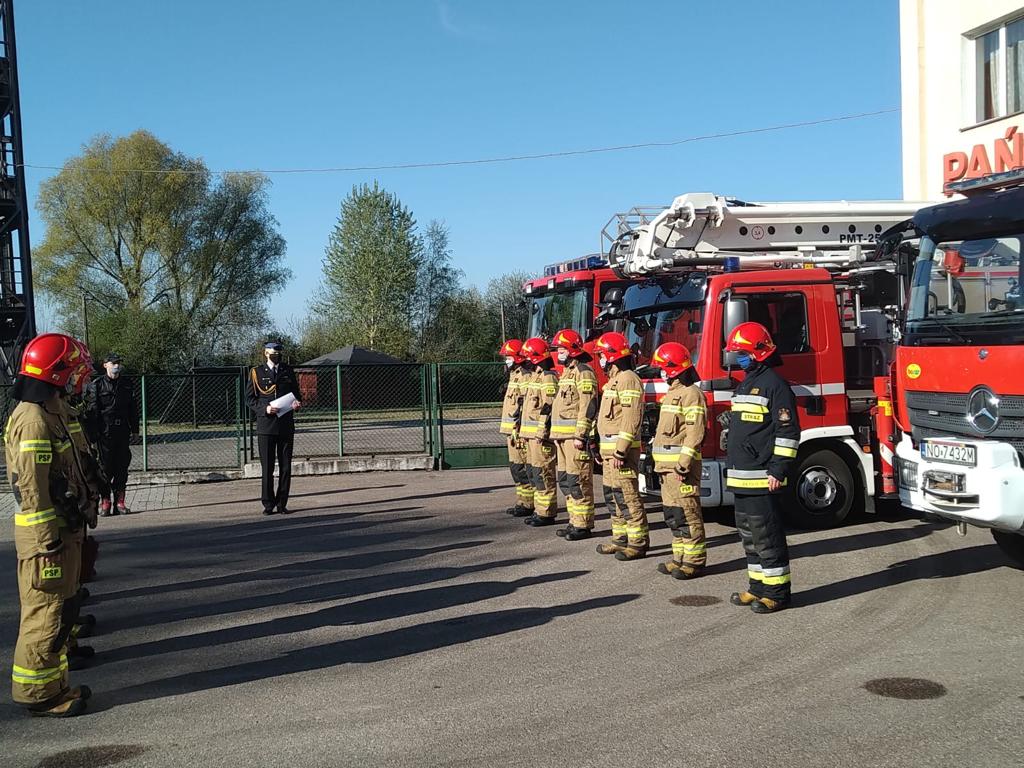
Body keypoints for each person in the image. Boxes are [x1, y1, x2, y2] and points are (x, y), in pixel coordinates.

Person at [7, 333, 94, 717]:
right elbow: (31, 488)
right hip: (48, 539)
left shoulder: (50, 410)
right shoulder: (32, 420)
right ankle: (39, 695)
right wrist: (47, 541)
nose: (78, 378)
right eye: (73, 371)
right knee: (45, 615)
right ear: (55, 372)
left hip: (62, 531)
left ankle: (55, 685)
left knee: (60, 611)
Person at [723, 321, 800, 614]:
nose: (738, 359)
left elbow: (787, 432)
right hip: (742, 476)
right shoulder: (746, 382)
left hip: (761, 476)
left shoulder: (775, 385)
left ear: (759, 352)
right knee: (750, 537)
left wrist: (778, 469)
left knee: (767, 537)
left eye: (742, 354)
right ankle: (757, 587)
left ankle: (777, 593)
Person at [650, 342, 707, 579]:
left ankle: (694, 561)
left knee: (688, 514)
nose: (661, 372)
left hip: (681, 470)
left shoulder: (692, 394)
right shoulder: (672, 395)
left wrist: (683, 465)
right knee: (674, 515)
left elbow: (695, 434)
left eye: (663, 368)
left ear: (674, 368)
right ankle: (679, 558)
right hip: (666, 469)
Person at [593, 332, 648, 561]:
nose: (600, 360)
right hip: (609, 453)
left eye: (602, 355)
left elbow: (631, 418)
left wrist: (620, 450)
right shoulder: (614, 381)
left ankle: (637, 543)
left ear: (612, 355)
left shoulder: (628, 379)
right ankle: (620, 539)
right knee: (612, 495)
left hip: (620, 454)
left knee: (627, 496)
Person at [549, 329, 598, 541]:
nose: (558, 352)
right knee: (566, 481)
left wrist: (581, 435)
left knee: (579, 481)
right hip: (562, 437)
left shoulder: (583, 372)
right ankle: (574, 521)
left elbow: (588, 405)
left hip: (574, 439)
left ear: (572, 349)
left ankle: (583, 525)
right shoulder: (567, 372)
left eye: (561, 348)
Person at [245, 341, 303, 516]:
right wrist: (265, 409)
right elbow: (249, 399)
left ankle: (282, 503)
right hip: (266, 426)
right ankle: (268, 503)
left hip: (285, 425)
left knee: (285, 467)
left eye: (278, 354)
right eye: (272, 354)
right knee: (267, 468)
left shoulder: (287, 371)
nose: (276, 357)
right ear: (266, 354)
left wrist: (297, 404)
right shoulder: (256, 372)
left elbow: (296, 395)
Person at [83, 352, 138, 516]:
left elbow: (133, 409)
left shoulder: (127, 384)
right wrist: (93, 436)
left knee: (122, 467)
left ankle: (120, 502)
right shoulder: (97, 385)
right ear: (105, 365)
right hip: (104, 434)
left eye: (118, 363)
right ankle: (105, 501)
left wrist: (135, 430)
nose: (117, 366)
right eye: (113, 363)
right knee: (105, 468)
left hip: (122, 432)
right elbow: (92, 412)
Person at [518, 337, 559, 526]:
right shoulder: (535, 375)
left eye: (528, 356)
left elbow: (548, 407)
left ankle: (546, 513)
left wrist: (542, 432)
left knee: (543, 474)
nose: (525, 360)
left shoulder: (548, 377)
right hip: (530, 436)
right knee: (535, 473)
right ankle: (539, 509)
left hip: (540, 437)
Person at [497, 339, 534, 517]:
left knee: (523, 468)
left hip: (517, 431)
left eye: (508, 357)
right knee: (516, 468)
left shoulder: (525, 376)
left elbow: (525, 403)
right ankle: (522, 501)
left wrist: (518, 427)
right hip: (511, 432)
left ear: (518, 358)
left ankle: (529, 503)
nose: (506, 361)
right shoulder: (514, 375)